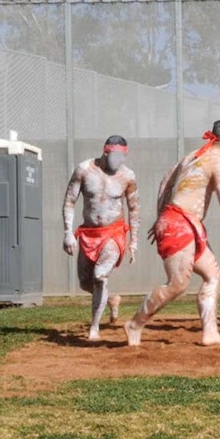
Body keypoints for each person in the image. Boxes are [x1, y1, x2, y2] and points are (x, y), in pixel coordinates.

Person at [124, 120, 220, 346]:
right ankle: (134, 324)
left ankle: (210, 332)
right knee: (178, 284)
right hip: (179, 224)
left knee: (212, 275)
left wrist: (161, 216)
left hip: (185, 223)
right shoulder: (217, 164)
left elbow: (166, 182)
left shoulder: (192, 155)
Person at [62, 135, 140, 341]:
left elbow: (134, 209)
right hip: (88, 233)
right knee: (85, 282)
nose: (118, 162)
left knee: (100, 276)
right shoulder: (84, 170)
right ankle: (111, 300)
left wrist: (133, 241)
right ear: (105, 152)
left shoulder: (128, 176)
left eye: (122, 157)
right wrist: (67, 233)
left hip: (113, 233)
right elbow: (70, 201)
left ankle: (94, 328)